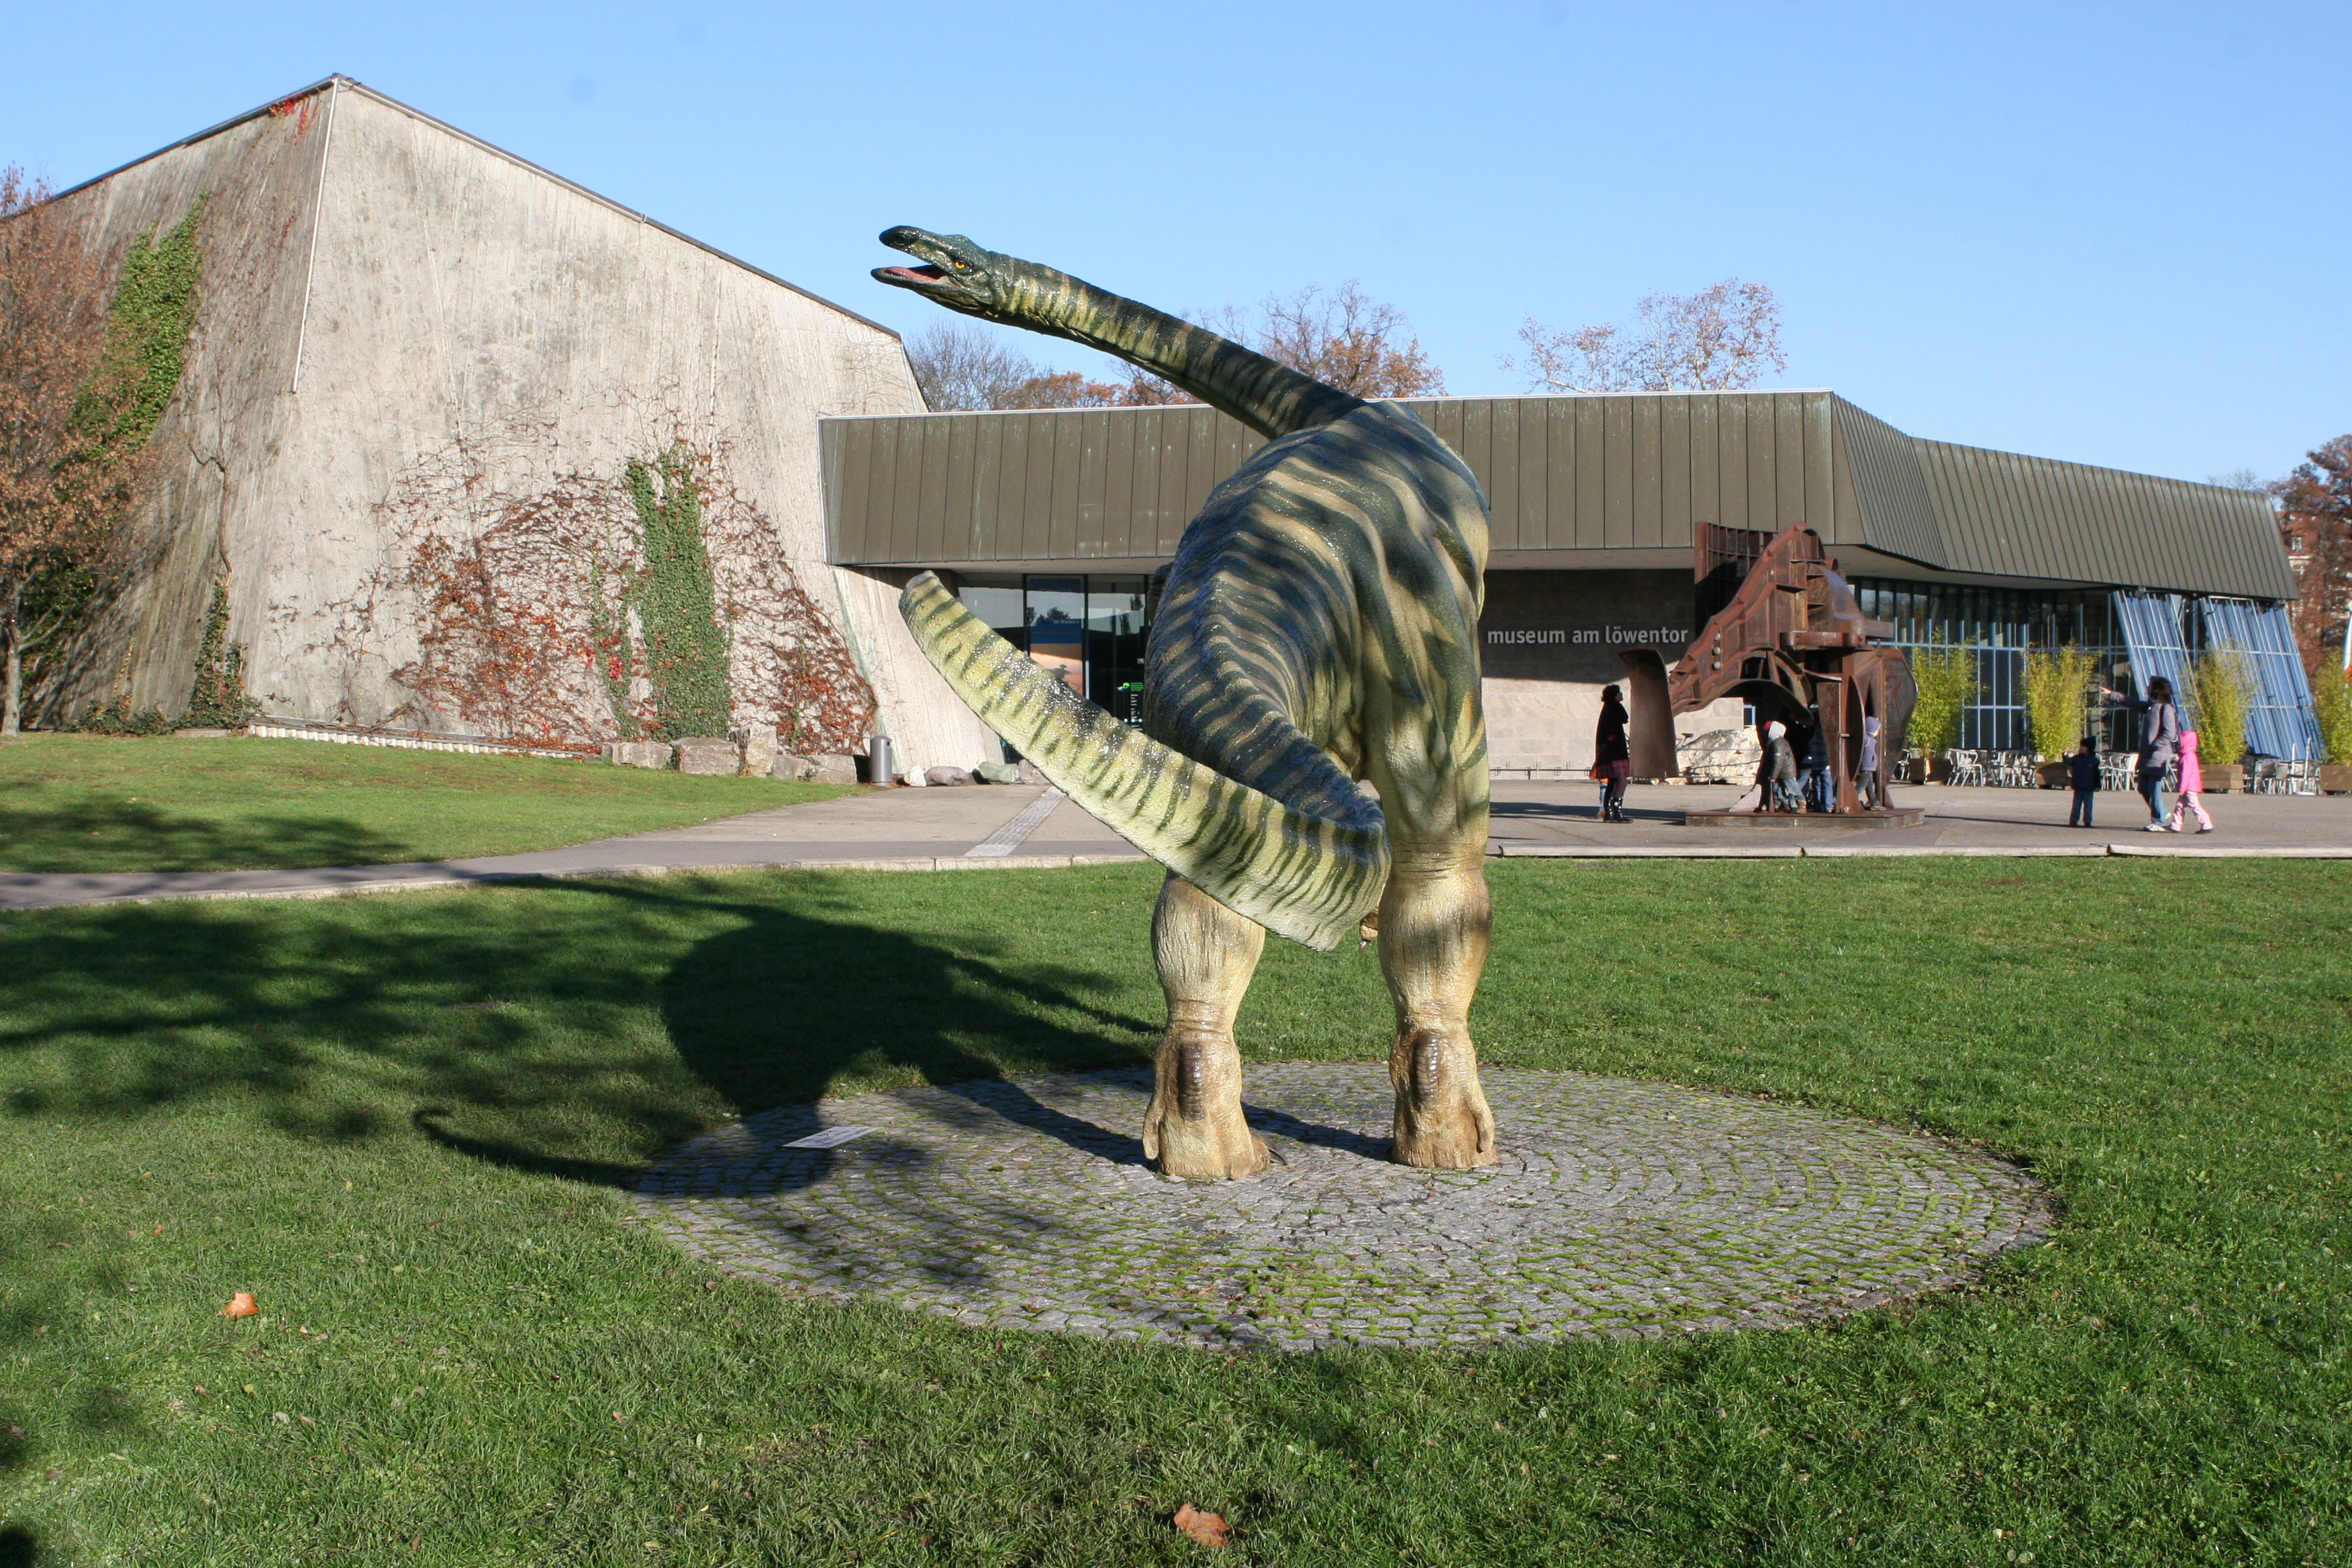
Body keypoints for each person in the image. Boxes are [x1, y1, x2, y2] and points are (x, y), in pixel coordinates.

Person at [2101, 677, 2180, 830]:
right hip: (2147, 756)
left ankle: (2159, 822)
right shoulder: (2151, 707)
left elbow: (2169, 733)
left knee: (2155, 788)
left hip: (2158, 756)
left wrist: (2155, 745)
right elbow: (2133, 703)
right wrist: (2112, 694)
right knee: (2143, 787)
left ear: (2157, 688)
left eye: (2150, 685)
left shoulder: (2166, 709)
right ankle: (2162, 812)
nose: (2148, 687)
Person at [1592, 683, 1631, 823]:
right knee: (1622, 781)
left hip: (1609, 753)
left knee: (1612, 782)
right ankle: (1617, 812)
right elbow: (1625, 717)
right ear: (1614, 695)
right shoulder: (1614, 707)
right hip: (1614, 753)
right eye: (1619, 693)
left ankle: (1609, 814)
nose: (1622, 695)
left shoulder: (1607, 709)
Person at [2165, 728, 2215, 834]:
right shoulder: (2190, 755)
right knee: (2180, 805)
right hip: (2191, 786)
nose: (2178, 744)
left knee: (2194, 806)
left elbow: (2185, 774)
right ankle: (2176, 825)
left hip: (2189, 787)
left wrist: (2181, 788)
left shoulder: (2186, 756)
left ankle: (2206, 824)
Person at [1762, 720, 1800, 812]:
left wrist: (1773, 776)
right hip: (1783, 771)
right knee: (1780, 788)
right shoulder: (1777, 743)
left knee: (1791, 788)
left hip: (1786, 771)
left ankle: (1799, 803)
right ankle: (1787, 804)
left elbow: (1777, 761)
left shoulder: (1777, 744)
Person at [2066, 737, 2100, 828]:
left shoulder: (2094, 761)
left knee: (2088, 806)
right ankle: (2073, 820)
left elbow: (2097, 774)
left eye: (2084, 747)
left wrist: (2097, 785)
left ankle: (2088, 821)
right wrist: (2065, 755)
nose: (2081, 748)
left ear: (2089, 748)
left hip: (2089, 787)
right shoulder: (2076, 759)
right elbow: (2068, 762)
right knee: (2076, 806)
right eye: (2081, 746)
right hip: (2078, 786)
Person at [1857, 715, 1883, 810]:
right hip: (1868, 766)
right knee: (1861, 786)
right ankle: (1854, 799)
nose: (1878, 732)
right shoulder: (1867, 739)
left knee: (1869, 786)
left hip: (1869, 767)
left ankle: (1874, 802)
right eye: (1877, 730)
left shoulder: (1871, 740)